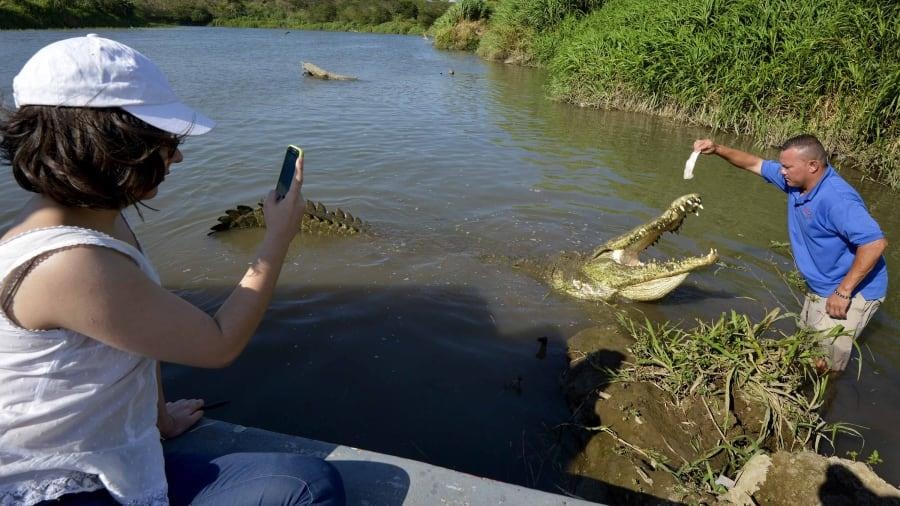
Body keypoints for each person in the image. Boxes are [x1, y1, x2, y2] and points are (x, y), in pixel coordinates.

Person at [0, 35, 345, 505]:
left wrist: (160, 419)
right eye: (162, 140)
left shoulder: (96, 218)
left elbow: (136, 333)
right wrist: (277, 238)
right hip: (57, 487)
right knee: (307, 488)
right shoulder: (69, 263)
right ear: (112, 144)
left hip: (106, 453)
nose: (176, 156)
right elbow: (218, 342)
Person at [693, 135, 888, 373]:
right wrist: (717, 149)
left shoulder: (837, 199)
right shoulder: (796, 182)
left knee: (826, 364)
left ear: (813, 166)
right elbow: (754, 163)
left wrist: (843, 292)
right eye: (782, 166)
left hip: (852, 290)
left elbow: (875, 244)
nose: (782, 171)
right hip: (822, 284)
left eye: (787, 167)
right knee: (806, 346)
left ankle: (817, 403)